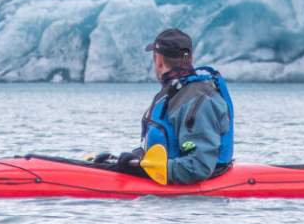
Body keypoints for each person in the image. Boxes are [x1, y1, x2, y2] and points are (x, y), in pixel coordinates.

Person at [93, 27, 234, 184]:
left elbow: (199, 166)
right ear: (190, 58)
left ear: (159, 61)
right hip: (168, 177)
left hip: (192, 188)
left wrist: (143, 169)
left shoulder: (199, 100)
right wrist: (129, 160)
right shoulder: (176, 93)